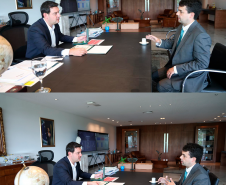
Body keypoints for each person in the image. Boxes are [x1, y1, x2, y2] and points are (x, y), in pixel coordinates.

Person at [146, 0, 211, 92]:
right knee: (154, 76)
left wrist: (176, 69)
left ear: (191, 15)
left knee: (161, 86)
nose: (177, 13)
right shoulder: (182, 26)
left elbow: (202, 64)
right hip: (178, 65)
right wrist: (159, 41)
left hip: (190, 75)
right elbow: (174, 43)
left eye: (181, 11)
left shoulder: (200, 35)